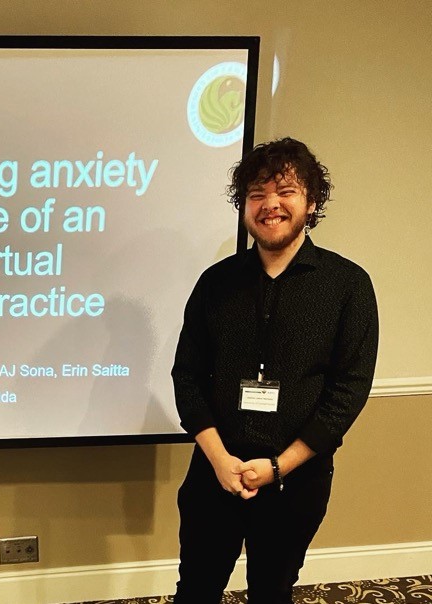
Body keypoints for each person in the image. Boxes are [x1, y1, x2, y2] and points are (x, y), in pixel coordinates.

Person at [171, 137, 378, 604]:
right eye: (257, 194)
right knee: (196, 590)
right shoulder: (216, 283)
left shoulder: (347, 286)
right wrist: (221, 462)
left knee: (271, 591)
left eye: (285, 191)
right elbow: (186, 377)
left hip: (296, 481)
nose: (271, 205)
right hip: (215, 472)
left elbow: (348, 392)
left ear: (312, 201)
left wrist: (278, 469)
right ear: (244, 205)